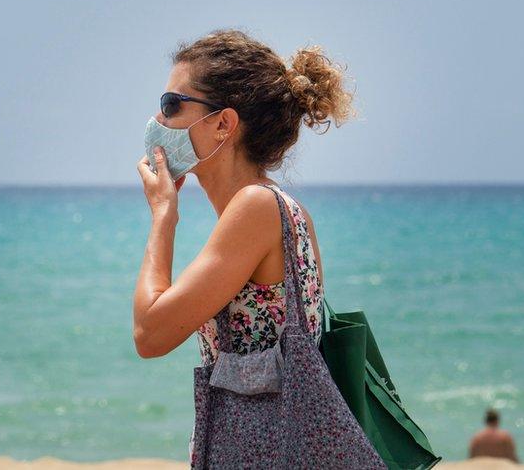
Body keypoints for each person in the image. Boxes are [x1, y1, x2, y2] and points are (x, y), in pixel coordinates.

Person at [132, 29, 357, 465]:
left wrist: (164, 215)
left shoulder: (254, 208)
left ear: (222, 124)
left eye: (171, 105)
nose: (158, 121)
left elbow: (150, 333)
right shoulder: (285, 210)